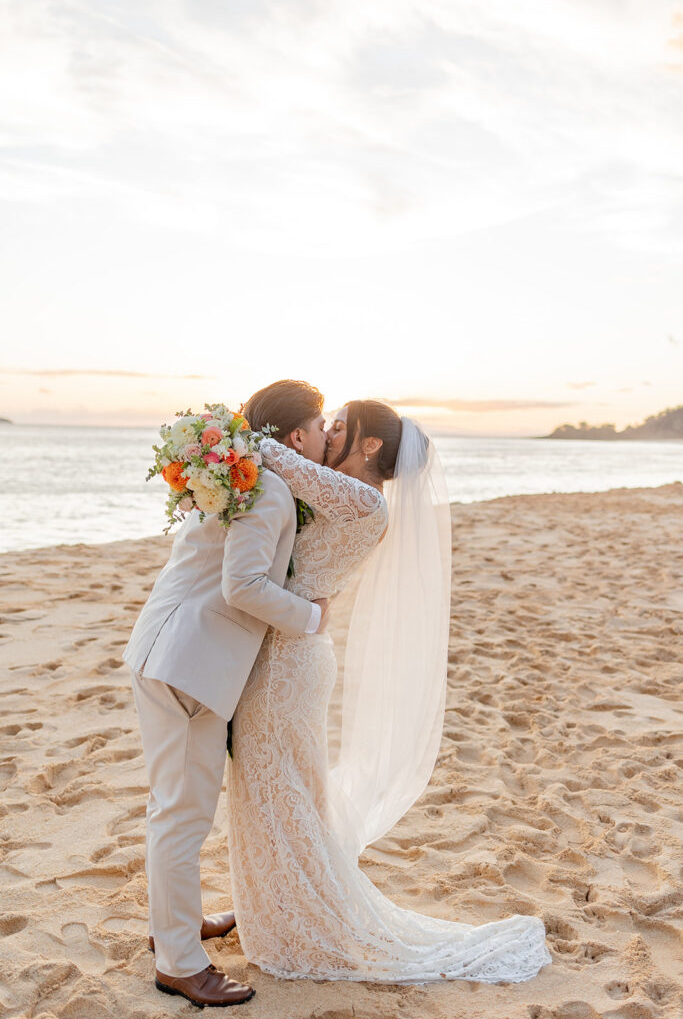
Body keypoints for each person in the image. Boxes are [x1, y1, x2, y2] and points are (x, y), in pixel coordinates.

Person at [226, 399, 552, 983]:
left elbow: (271, 453)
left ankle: (300, 913)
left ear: (370, 445)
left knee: (284, 791)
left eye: (340, 425)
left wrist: (212, 434)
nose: (328, 431)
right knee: (281, 789)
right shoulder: (338, 491)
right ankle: (277, 904)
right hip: (288, 651)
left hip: (287, 663)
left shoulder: (363, 500)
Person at [122, 380, 328, 1008]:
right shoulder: (264, 488)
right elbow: (242, 586)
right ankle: (181, 963)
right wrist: (312, 615)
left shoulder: (242, 476)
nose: (325, 438)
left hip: (179, 651)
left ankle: (174, 930)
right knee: (181, 817)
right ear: (296, 435)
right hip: (188, 662)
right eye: (321, 427)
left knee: (179, 810)